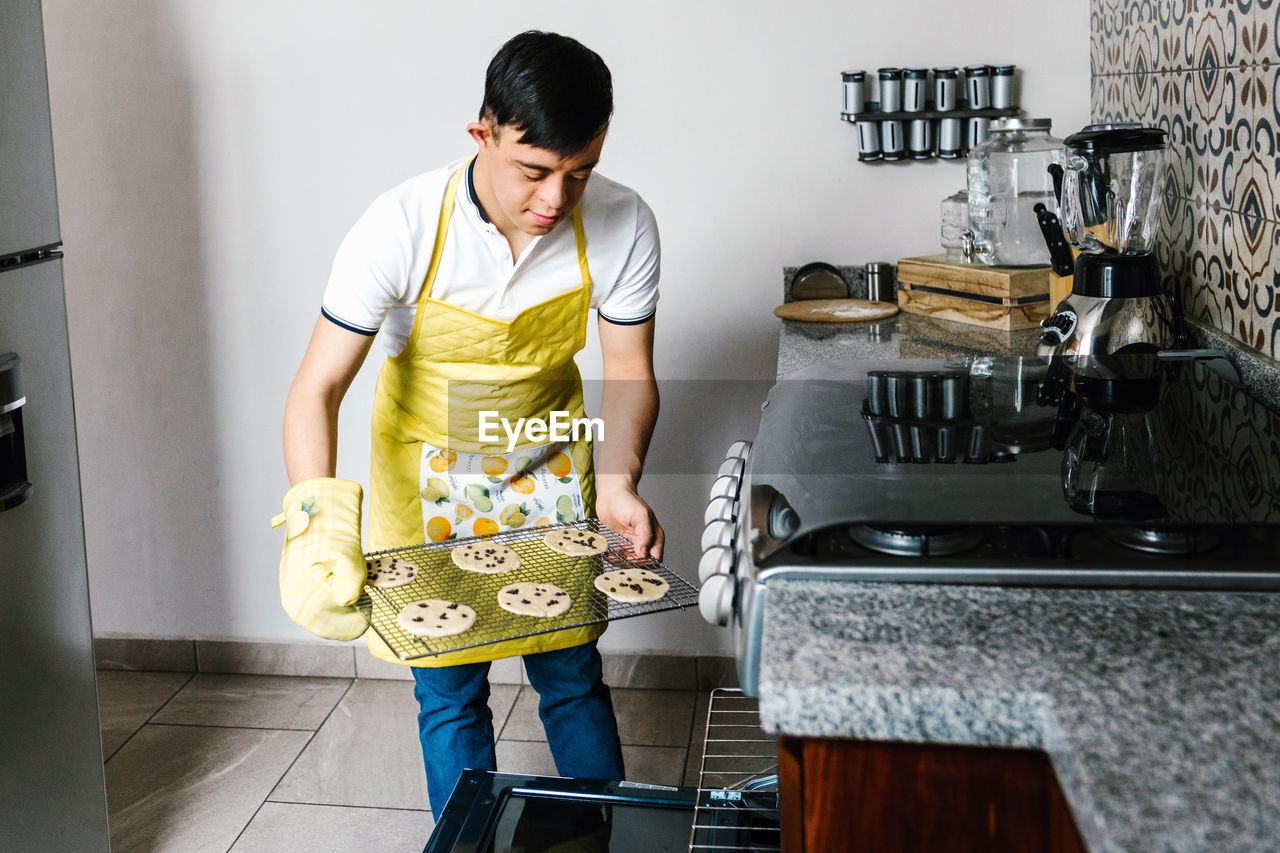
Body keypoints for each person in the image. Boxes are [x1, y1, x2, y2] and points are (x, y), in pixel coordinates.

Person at [270, 31, 663, 816]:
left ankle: (610, 835)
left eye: (578, 173)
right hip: (427, 484)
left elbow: (629, 374)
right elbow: (318, 384)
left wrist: (620, 483)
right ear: (482, 134)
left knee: (572, 673)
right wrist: (316, 520)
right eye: (535, 171)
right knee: (449, 690)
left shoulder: (625, 222)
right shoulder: (402, 224)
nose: (555, 199)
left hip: (550, 470)